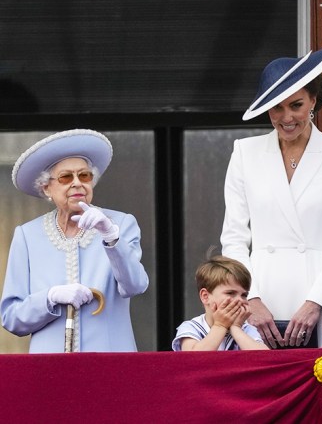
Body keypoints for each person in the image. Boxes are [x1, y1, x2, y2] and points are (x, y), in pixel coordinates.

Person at [221, 41, 322, 348]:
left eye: (296, 105)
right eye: (277, 107)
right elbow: (233, 238)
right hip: (260, 298)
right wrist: (251, 298)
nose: (287, 117)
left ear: (313, 100)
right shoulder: (245, 153)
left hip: (319, 295)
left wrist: (316, 302)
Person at [1, 129, 149, 353]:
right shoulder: (27, 235)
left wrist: (111, 237)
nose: (77, 183)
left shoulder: (121, 224)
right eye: (66, 177)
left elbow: (135, 285)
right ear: (46, 187)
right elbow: (11, 318)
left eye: (85, 175)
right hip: (49, 367)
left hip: (110, 364)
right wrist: (49, 298)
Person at [172, 255, 268, 351]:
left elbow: (264, 358)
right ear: (205, 296)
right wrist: (220, 325)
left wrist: (236, 328)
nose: (240, 300)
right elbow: (193, 360)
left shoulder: (246, 329)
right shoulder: (191, 328)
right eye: (231, 293)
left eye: (244, 295)